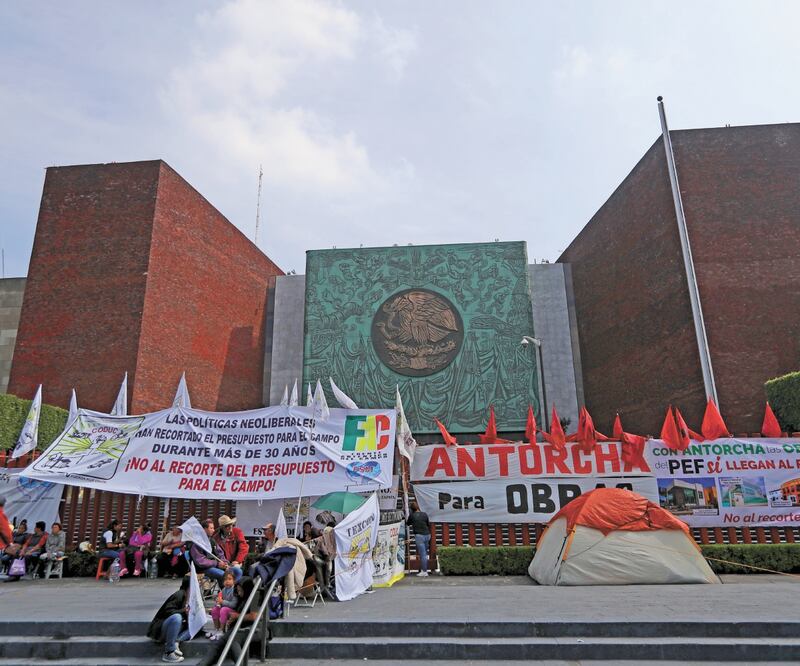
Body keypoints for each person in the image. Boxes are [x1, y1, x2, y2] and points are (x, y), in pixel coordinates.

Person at [198, 577, 258, 666]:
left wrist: (237, 616)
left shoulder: (255, 597)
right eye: (238, 591)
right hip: (238, 627)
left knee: (233, 639)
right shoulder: (240, 598)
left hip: (254, 628)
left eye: (241, 591)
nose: (239, 593)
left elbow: (253, 616)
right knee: (219, 644)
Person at [146, 576, 192, 663]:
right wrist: (183, 611)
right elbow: (168, 611)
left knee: (195, 627)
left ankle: (175, 641)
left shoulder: (189, 597)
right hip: (163, 626)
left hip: (176, 628)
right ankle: (168, 652)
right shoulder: (179, 594)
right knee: (176, 617)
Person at [188, 519, 231, 584]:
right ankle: (225, 592)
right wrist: (217, 564)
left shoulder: (212, 540)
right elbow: (200, 561)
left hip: (215, 565)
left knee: (236, 571)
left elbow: (220, 553)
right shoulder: (196, 543)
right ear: (204, 529)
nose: (213, 530)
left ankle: (229, 592)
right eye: (211, 528)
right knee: (224, 575)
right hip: (202, 569)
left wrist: (224, 562)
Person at [207, 569, 239, 640]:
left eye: (229, 579)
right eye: (225, 580)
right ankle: (216, 629)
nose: (227, 581)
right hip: (224, 608)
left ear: (234, 580)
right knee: (215, 610)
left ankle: (222, 630)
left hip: (233, 610)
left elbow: (233, 604)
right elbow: (221, 601)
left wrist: (222, 602)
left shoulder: (235, 590)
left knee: (223, 610)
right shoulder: (224, 589)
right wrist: (218, 602)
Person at [213, 516, 247, 580]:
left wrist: (237, 560)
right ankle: (224, 588)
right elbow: (217, 553)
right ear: (222, 527)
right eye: (227, 525)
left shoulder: (237, 532)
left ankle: (234, 588)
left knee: (236, 570)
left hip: (237, 561)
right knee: (223, 576)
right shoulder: (216, 538)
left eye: (231, 524)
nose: (230, 526)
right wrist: (223, 563)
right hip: (224, 563)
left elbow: (243, 547)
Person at [407, 501, 432, 576]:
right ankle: (424, 570)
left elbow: (408, 523)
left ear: (411, 509)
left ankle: (424, 571)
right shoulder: (424, 514)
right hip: (427, 535)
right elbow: (428, 524)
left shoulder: (412, 515)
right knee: (425, 553)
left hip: (419, 536)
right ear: (418, 507)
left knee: (423, 554)